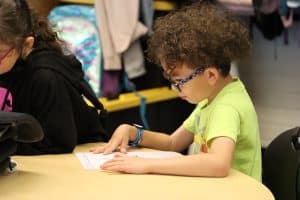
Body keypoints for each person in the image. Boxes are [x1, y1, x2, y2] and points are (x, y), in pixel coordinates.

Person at [91, 1, 262, 181]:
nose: (175, 88)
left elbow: (218, 164)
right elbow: (173, 143)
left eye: (180, 81)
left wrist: (146, 164)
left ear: (211, 75)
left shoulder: (226, 108)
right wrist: (134, 132)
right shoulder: (212, 97)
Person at [0, 0, 107, 155]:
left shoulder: (46, 78)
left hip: (76, 158)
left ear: (26, 45)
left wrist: (5, 145)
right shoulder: (8, 61)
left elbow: (58, 141)